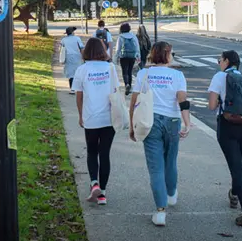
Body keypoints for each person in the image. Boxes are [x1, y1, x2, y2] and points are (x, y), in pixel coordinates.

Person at [130, 41, 191, 227]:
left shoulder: (143, 74)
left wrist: (132, 126)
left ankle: (160, 212)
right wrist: (187, 123)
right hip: (172, 121)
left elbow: (134, 102)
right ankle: (171, 193)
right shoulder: (178, 75)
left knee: (156, 167)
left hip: (150, 122)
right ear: (168, 55)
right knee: (170, 161)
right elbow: (182, 101)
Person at [208, 50, 242, 227]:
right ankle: (235, 194)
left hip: (228, 125)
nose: (219, 63)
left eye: (219, 60)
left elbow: (212, 105)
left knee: (236, 168)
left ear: (227, 61)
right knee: (239, 164)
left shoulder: (219, 77)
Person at [72, 38, 119, 206]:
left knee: (92, 151)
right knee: (104, 153)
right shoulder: (111, 68)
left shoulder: (82, 70)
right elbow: (116, 91)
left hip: (91, 117)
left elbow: (79, 95)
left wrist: (80, 115)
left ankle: (94, 183)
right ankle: (103, 194)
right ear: (102, 50)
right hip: (109, 118)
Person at [114, 23, 140, 93]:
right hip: (132, 56)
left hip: (124, 56)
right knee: (130, 71)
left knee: (124, 71)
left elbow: (118, 49)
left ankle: (126, 84)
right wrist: (138, 56)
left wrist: (116, 57)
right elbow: (137, 46)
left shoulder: (121, 37)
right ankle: (130, 86)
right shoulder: (133, 36)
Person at [60, 27, 84, 95]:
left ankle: (72, 89)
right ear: (72, 32)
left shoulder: (63, 40)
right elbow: (81, 48)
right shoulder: (77, 39)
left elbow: (61, 49)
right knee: (78, 72)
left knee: (70, 74)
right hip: (77, 56)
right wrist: (84, 57)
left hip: (68, 57)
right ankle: (80, 88)